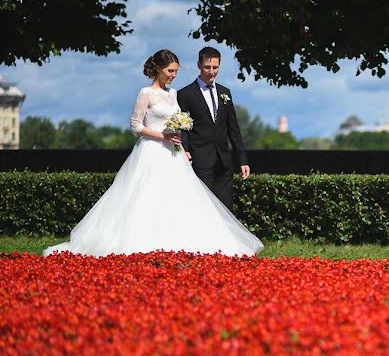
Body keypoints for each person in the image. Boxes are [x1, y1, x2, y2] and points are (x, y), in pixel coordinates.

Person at [43, 50, 263, 257]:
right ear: (158, 69)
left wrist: (180, 141)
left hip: (173, 153)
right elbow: (136, 126)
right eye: (170, 71)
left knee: (179, 199)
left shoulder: (174, 93)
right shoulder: (145, 93)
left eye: (176, 71)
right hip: (151, 150)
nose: (173, 75)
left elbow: (179, 124)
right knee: (147, 196)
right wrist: (162, 136)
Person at [176, 46, 249, 210]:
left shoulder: (225, 92)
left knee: (225, 207)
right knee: (204, 207)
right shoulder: (185, 94)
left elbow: (233, 129)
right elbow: (183, 128)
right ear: (198, 65)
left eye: (215, 67)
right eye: (207, 67)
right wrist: (185, 151)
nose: (211, 71)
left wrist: (242, 159)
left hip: (224, 161)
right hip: (200, 159)